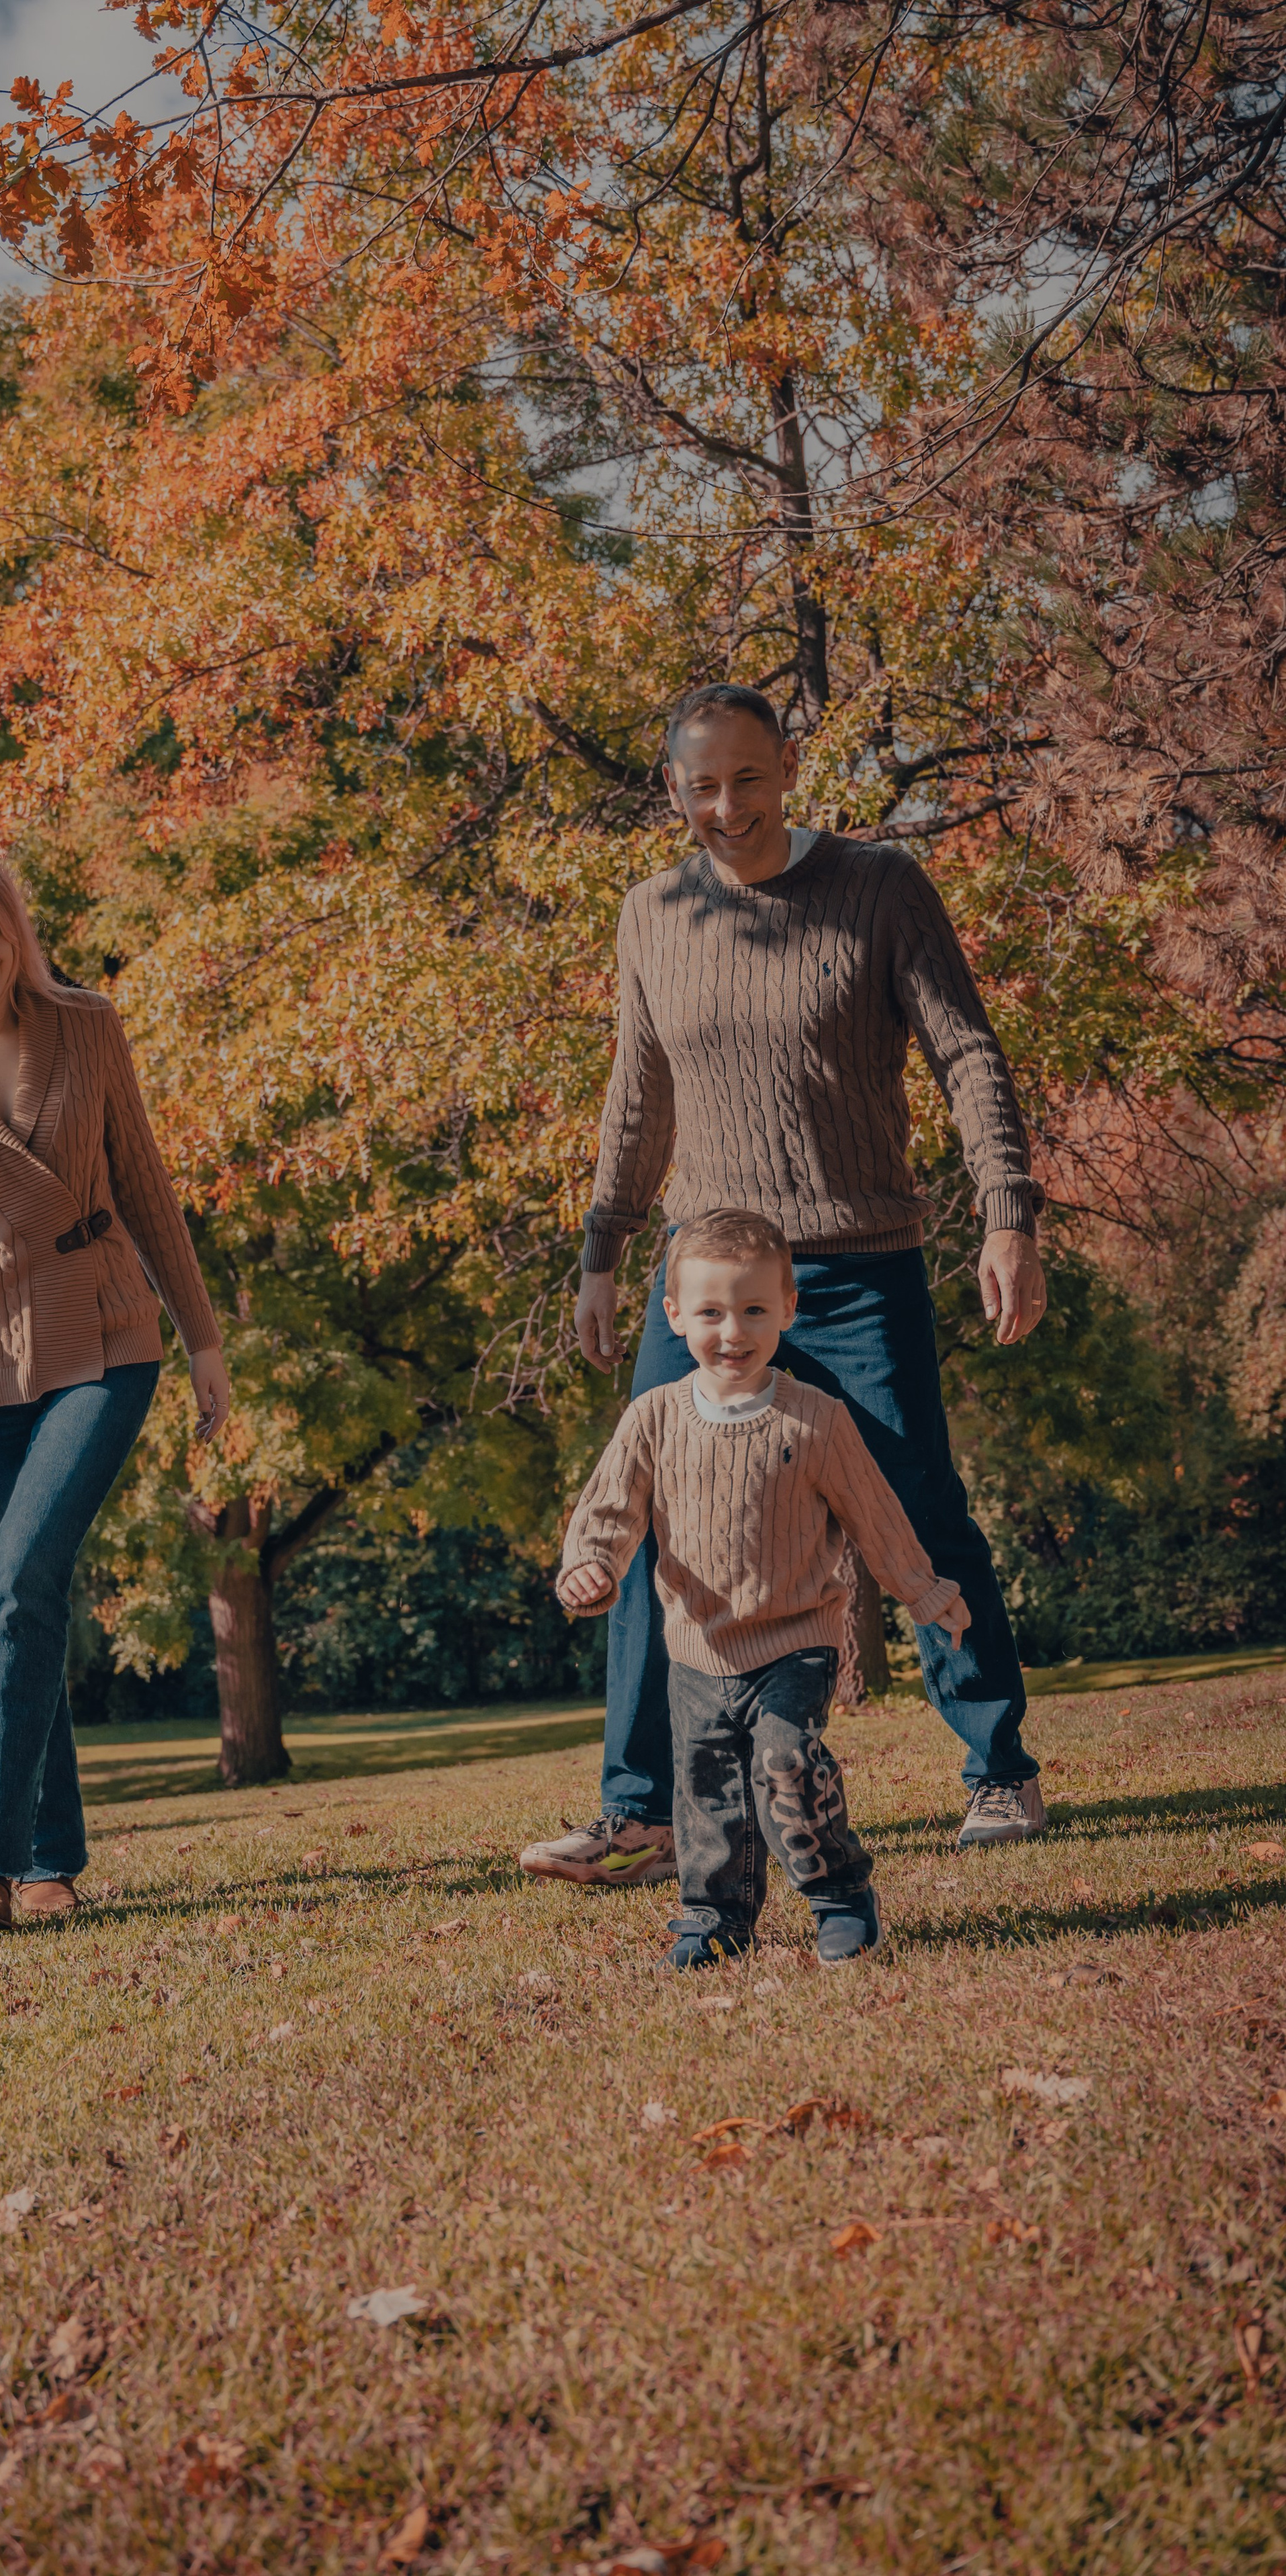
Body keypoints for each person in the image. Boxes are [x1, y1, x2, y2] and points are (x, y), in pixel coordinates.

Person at [522, 681, 1050, 1892]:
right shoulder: (650, 913)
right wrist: (603, 1256)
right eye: (700, 787)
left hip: (859, 1260)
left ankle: (997, 1768)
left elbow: (967, 1052)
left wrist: (1009, 1212)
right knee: (655, 1517)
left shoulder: (876, 887)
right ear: (673, 793)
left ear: (789, 766)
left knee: (913, 1507)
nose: (726, 806)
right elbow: (637, 1096)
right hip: (703, 1277)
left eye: (747, 779)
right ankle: (641, 1813)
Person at [0, 838, 229, 1932]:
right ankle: (53, 1862)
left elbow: (149, 1187)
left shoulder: (86, 1026)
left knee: (23, 1587)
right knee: (18, 1603)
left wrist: (201, 1338)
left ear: (16, 926)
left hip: (108, 1340)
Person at [556, 1211, 971, 1963]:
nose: (732, 1330)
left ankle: (840, 1897)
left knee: (786, 1764)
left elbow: (877, 1520)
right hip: (697, 1651)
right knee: (705, 1793)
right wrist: (591, 1566)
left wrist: (925, 1592)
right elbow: (608, 1512)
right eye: (710, 1311)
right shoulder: (652, 1418)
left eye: (753, 1309)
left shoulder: (815, 1420)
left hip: (795, 1641)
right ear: (674, 1314)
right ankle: (716, 1921)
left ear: (788, 1308)